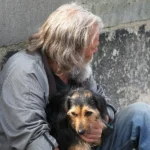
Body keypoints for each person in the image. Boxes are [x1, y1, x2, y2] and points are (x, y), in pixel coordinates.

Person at [0, 2, 150, 150]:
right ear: (71, 47)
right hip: (55, 145)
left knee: (141, 114)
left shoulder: (77, 66)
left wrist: (101, 124)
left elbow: (105, 104)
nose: (94, 52)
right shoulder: (25, 72)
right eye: (91, 47)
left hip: (87, 142)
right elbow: (33, 140)